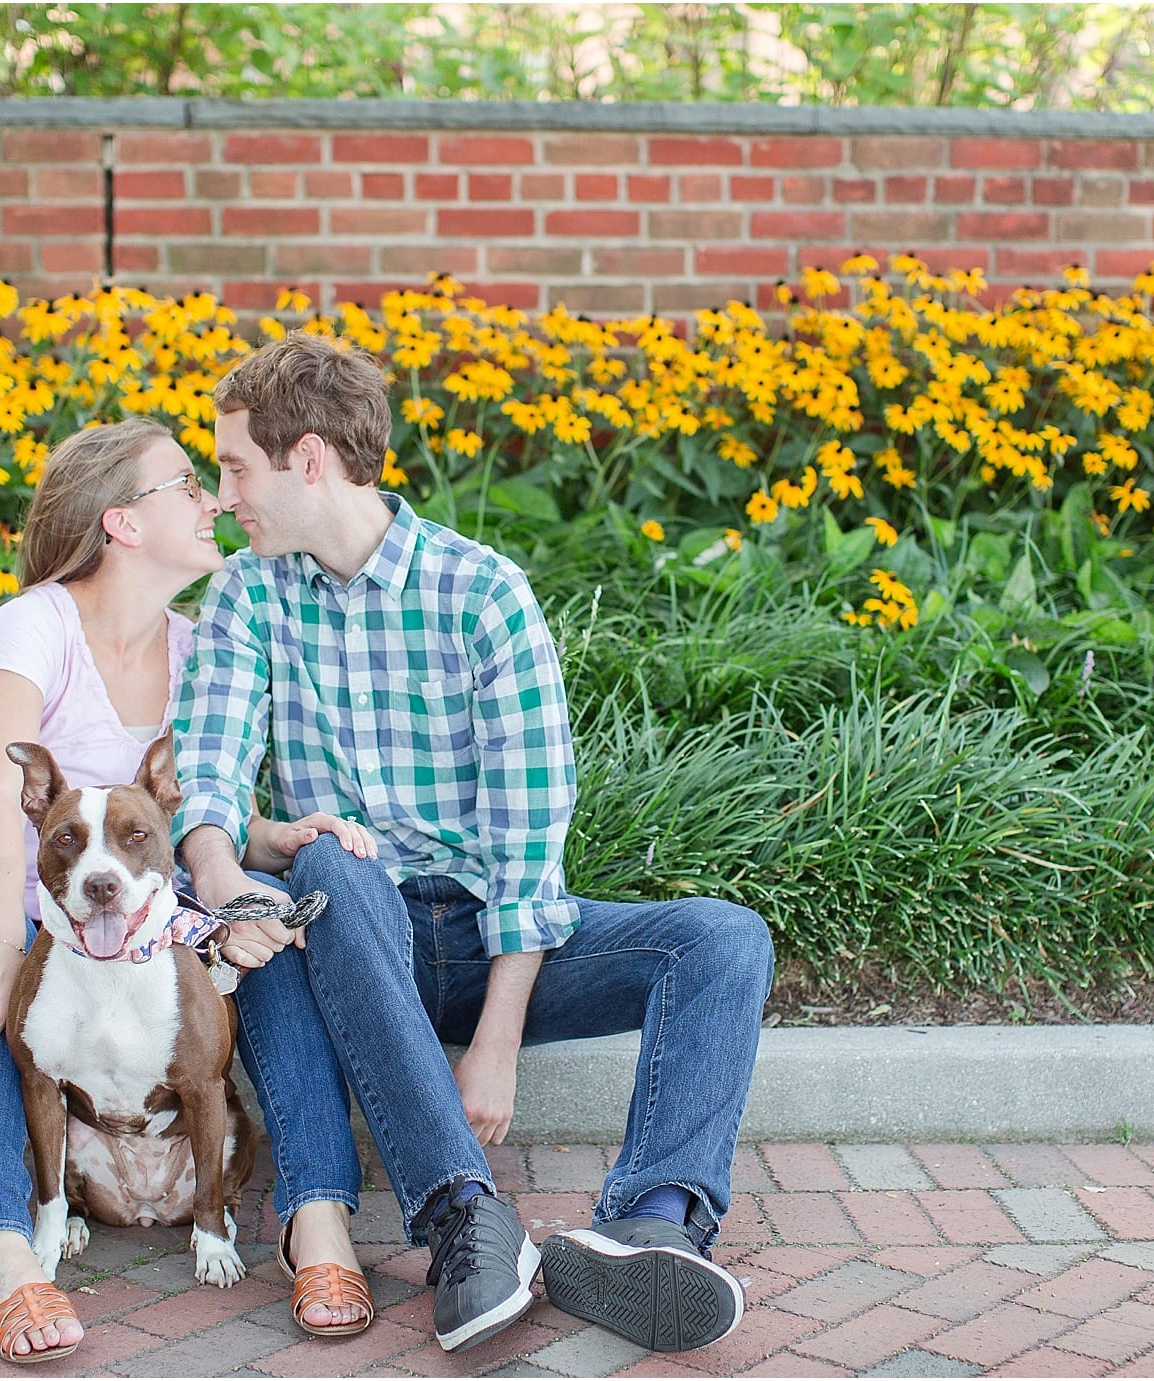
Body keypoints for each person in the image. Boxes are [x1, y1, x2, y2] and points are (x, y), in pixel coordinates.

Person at [172, 331, 777, 1356]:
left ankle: (653, 1224)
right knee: (325, 860)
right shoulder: (249, 595)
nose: (225, 496)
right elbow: (213, 767)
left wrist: (498, 1034)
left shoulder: (481, 592)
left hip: (498, 940)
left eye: (236, 467)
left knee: (721, 942)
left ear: (309, 458)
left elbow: (528, 834)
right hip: (360, 930)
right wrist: (225, 874)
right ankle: (464, 1217)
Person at [0, 417, 242, 1364]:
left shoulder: (197, 644)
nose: (211, 499)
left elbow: (220, 798)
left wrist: (298, 838)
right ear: (123, 523)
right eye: (186, 484)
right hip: (5, 917)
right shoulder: (34, 622)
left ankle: (314, 1219)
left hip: (153, 937)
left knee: (279, 956)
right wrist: (1, 941)